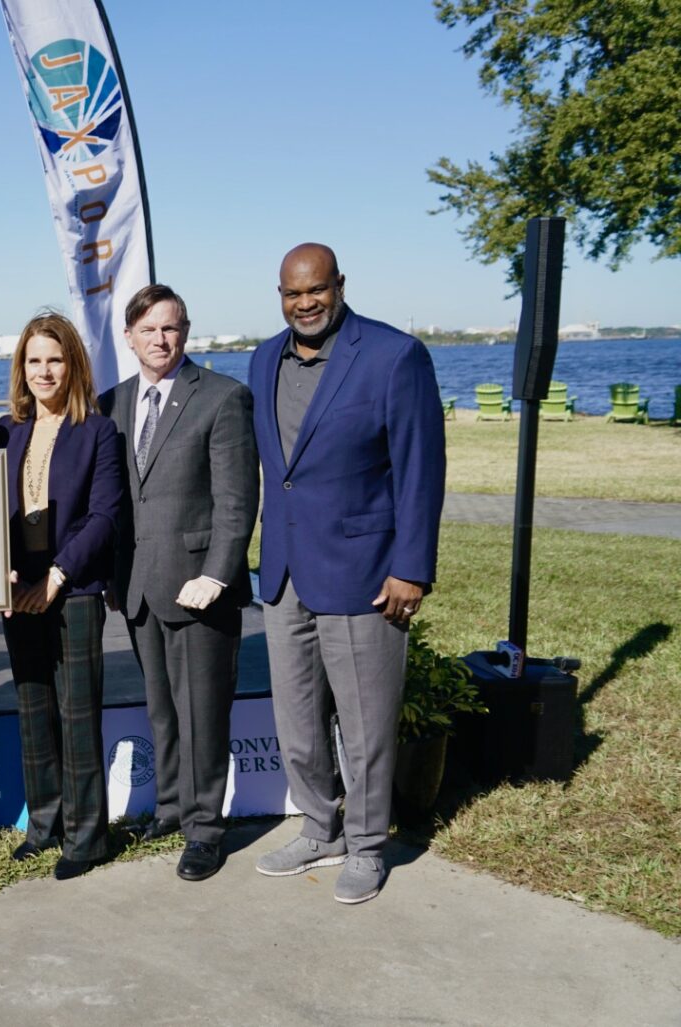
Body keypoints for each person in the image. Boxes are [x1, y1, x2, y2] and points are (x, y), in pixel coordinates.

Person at [249, 243, 445, 904]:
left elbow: (421, 468)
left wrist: (411, 568)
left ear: (339, 285)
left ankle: (366, 843)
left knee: (365, 723)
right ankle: (319, 825)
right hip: (283, 573)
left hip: (365, 572)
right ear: (279, 294)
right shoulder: (263, 357)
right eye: (291, 292)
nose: (304, 303)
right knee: (297, 720)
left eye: (316, 290)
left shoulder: (394, 356)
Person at [99, 284, 258, 882]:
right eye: (148, 330)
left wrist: (217, 573)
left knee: (202, 712)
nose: (160, 340)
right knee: (162, 710)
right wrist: (115, 576)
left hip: (199, 586)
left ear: (186, 332)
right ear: (129, 336)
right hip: (139, 586)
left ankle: (205, 830)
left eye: (170, 328)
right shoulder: (111, 403)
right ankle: (170, 807)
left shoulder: (222, 397)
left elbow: (238, 502)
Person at [0, 312, 124, 880]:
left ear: (74, 365)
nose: (44, 371)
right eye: (34, 360)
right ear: (22, 367)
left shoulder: (98, 431)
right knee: (32, 709)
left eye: (55, 359)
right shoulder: (4, 431)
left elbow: (105, 516)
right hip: (19, 591)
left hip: (74, 590)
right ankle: (43, 826)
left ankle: (87, 838)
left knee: (76, 713)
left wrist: (58, 576)